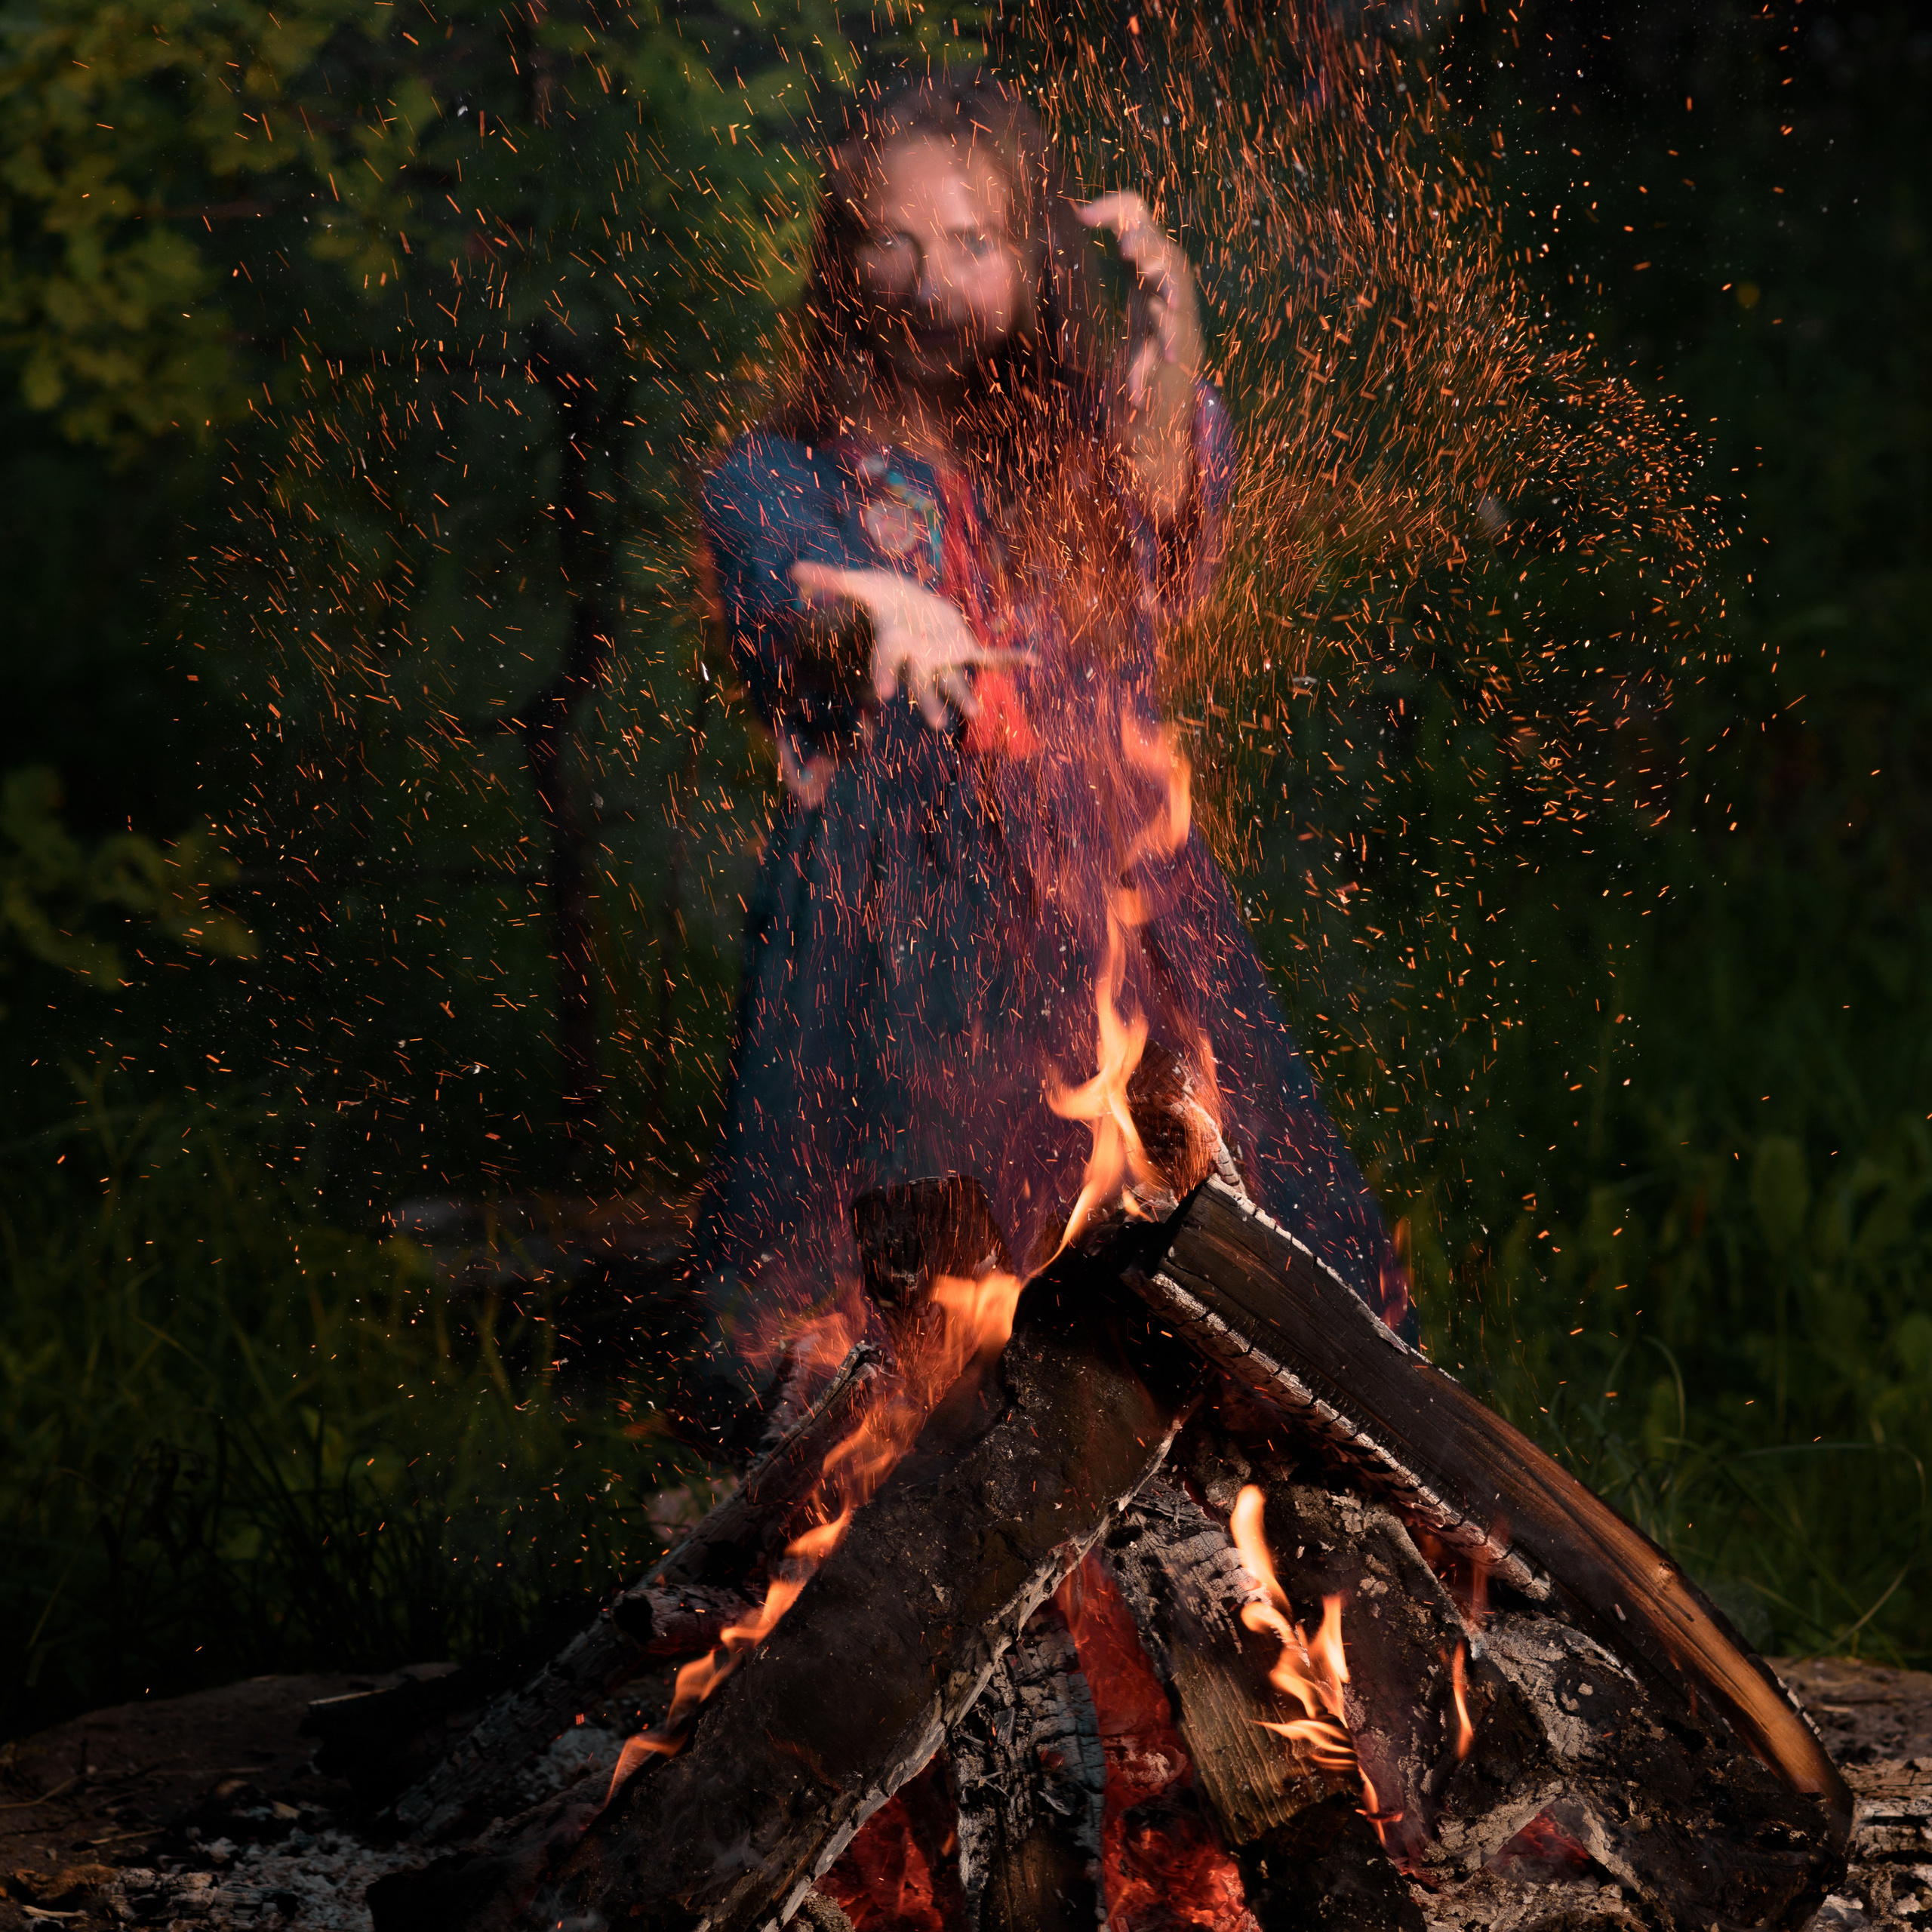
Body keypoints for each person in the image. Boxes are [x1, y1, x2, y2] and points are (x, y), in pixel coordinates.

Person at [683, 72, 1408, 1446]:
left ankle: (1278, 1461)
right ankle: (864, 1458)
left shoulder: (1068, 446)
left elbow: (1156, 533)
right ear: (846, 260)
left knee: (1207, 1234)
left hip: (1113, 908)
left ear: (1029, 261)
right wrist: (870, 605)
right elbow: (778, 594)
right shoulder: (782, 473)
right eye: (896, 240)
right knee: (912, 1318)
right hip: (891, 949)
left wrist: (1173, 350)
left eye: (975, 242)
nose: (932, 280)